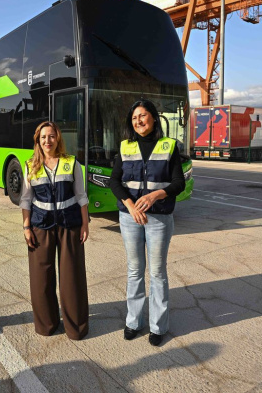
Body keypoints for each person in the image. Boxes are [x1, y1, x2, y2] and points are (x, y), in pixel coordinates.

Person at [109, 99, 185, 347]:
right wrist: (130, 206)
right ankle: (133, 322)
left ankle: (158, 326)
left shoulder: (168, 145)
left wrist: (155, 195)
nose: (138, 121)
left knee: (157, 272)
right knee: (134, 270)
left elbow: (178, 183)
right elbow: (115, 182)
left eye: (143, 116)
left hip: (159, 217)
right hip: (130, 218)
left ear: (153, 118)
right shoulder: (125, 147)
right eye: (134, 118)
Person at [20, 121, 90, 340]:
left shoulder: (71, 163)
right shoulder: (31, 165)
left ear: (58, 138)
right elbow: (26, 199)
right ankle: (46, 325)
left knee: (72, 278)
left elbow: (81, 195)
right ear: (37, 141)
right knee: (41, 278)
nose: (47, 141)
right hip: (40, 226)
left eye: (51, 136)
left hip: (70, 225)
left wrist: (85, 223)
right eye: (43, 137)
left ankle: (76, 328)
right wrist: (26, 227)